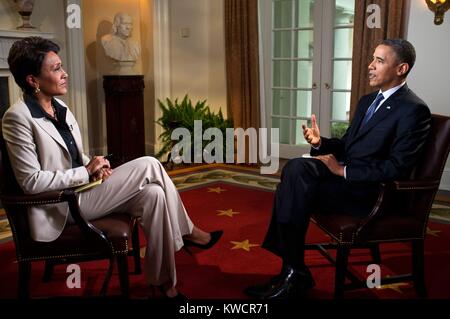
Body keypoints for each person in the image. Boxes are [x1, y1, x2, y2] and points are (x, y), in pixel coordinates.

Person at [3, 36, 222, 299]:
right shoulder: (17, 118)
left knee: (155, 195)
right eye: (56, 68)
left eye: (62, 67)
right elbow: (30, 181)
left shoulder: (59, 106)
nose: (65, 73)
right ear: (32, 80)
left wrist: (93, 166)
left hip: (84, 188)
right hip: (61, 205)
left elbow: (72, 154)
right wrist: (85, 172)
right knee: (151, 163)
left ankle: (164, 285)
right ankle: (189, 233)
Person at [245, 38, 431, 299]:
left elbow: (397, 167)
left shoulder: (414, 110)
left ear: (401, 69)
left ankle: (292, 271)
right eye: (372, 58)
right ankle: (293, 270)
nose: (370, 66)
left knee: (293, 186)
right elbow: (347, 146)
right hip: (348, 184)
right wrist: (321, 143)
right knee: (296, 170)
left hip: (371, 193)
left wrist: (342, 171)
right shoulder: (368, 101)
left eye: (380, 61)